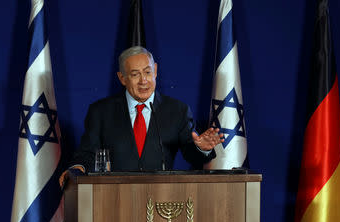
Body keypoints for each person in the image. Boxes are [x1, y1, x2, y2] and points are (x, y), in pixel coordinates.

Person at [60, 46, 223, 184]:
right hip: (113, 199)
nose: (143, 80)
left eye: (147, 72)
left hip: (162, 198)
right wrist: (77, 168)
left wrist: (201, 148)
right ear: (122, 78)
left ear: (156, 71)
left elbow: (191, 154)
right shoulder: (101, 111)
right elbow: (87, 153)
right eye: (135, 74)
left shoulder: (177, 110)